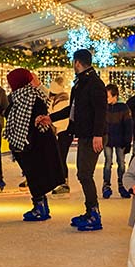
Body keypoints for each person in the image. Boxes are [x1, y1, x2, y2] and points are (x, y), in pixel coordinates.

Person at [39, 49, 108, 231]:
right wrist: (50, 117)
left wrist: (97, 135)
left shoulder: (94, 83)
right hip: (85, 134)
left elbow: (101, 110)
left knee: (85, 174)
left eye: (73, 61)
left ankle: (94, 214)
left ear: (77, 62)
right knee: (83, 173)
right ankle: (90, 212)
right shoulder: (80, 83)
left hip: (92, 135)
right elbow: (73, 109)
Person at [5, 68, 63, 221]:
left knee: (34, 174)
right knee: (33, 175)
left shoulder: (27, 97)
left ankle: (40, 207)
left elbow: (31, 118)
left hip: (33, 144)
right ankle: (41, 205)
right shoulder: (25, 96)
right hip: (31, 143)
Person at [102, 84, 134, 199]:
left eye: (108, 95)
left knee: (121, 163)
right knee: (108, 162)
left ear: (114, 96)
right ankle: (106, 185)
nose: (105, 98)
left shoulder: (123, 108)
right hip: (107, 140)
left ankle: (122, 185)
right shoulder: (104, 107)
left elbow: (128, 126)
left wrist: (127, 142)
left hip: (120, 140)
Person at [48, 76, 72, 193]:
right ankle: (60, 181)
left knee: (61, 157)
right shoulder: (56, 99)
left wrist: (52, 120)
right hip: (61, 132)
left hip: (64, 132)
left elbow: (60, 117)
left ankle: (64, 183)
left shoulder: (62, 100)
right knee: (59, 157)